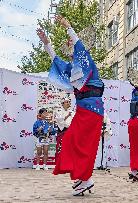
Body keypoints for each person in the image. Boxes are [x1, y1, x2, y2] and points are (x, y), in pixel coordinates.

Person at [37, 16, 104, 196]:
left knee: (82, 145)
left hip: (92, 109)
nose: (71, 45)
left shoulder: (86, 61)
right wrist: (47, 44)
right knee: (72, 142)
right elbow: (57, 63)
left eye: (72, 44)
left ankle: (85, 178)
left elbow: (79, 47)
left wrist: (68, 27)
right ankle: (83, 178)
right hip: (84, 110)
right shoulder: (72, 68)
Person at [54, 97, 75, 163]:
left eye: (69, 102)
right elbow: (59, 120)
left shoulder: (72, 112)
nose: (68, 103)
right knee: (61, 146)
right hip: (62, 130)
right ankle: (59, 162)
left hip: (71, 131)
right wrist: (68, 116)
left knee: (70, 147)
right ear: (62, 104)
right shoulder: (59, 111)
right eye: (66, 102)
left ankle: (68, 162)